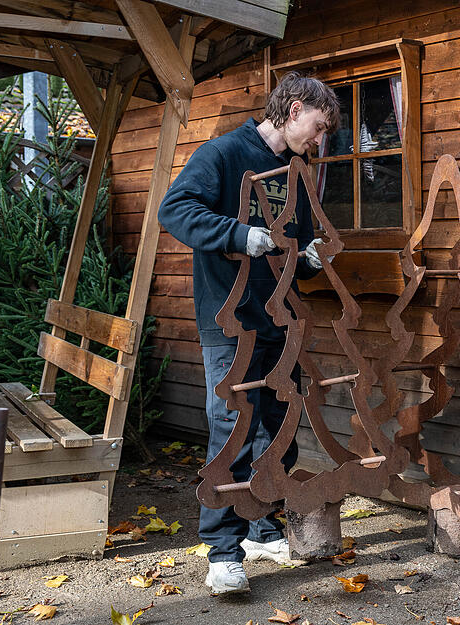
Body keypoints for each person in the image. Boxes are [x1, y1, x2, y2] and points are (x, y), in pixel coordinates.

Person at [157, 72, 340, 596]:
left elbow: (295, 244)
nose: (320, 140)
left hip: (280, 319)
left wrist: (309, 259)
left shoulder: (296, 171)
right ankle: (222, 554)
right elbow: (175, 210)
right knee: (233, 429)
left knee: (278, 426)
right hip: (229, 319)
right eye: (319, 126)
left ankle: (262, 529)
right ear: (294, 108)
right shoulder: (222, 153)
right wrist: (238, 234)